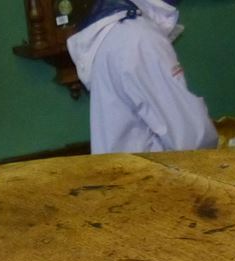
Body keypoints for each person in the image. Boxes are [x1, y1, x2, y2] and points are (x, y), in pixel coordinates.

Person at [67, 0, 218, 155]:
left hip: (124, 172)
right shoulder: (140, 40)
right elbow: (191, 140)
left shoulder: (117, 33)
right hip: (150, 174)